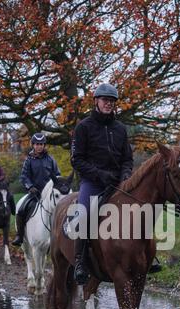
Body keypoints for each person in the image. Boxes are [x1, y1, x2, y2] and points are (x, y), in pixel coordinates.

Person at [71, 83, 133, 285]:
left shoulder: (120, 129)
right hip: (93, 182)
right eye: (105, 100)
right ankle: (80, 262)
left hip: (117, 183)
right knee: (84, 214)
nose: (109, 104)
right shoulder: (83, 127)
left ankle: (145, 256)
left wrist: (125, 175)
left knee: (139, 212)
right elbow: (77, 159)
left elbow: (127, 159)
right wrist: (99, 174)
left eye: (112, 101)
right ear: (96, 101)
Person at [11, 133, 61, 246]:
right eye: (37, 144)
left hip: (49, 194)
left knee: (61, 208)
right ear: (33, 145)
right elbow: (24, 176)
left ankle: (63, 235)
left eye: (41, 144)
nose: (39, 146)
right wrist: (30, 187)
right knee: (21, 209)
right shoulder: (29, 160)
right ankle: (19, 235)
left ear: (44, 145)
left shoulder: (51, 160)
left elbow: (57, 175)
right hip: (34, 193)